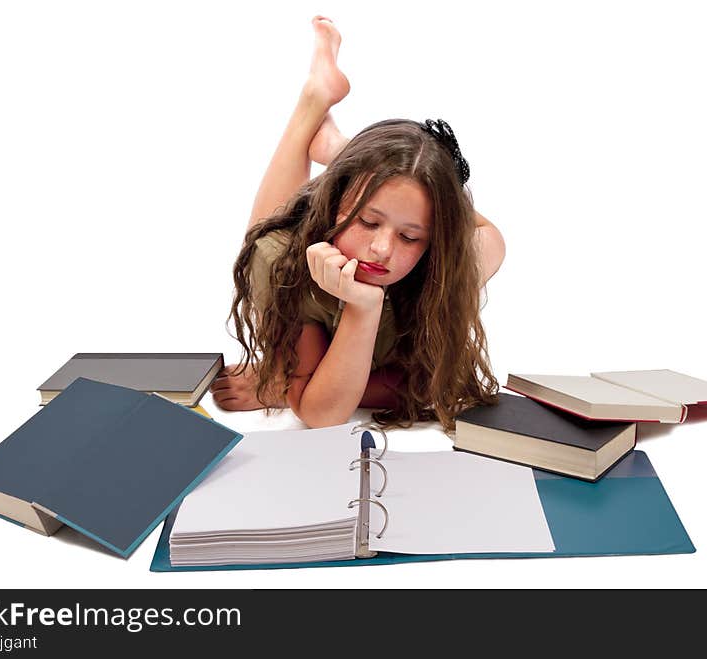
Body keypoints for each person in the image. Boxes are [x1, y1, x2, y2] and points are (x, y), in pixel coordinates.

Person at [211, 16, 505, 431]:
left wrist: (291, 384)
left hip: (381, 201)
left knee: (408, 191)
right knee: (267, 243)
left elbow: (427, 385)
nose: (383, 249)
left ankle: (343, 148)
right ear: (337, 205)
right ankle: (315, 103)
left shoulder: (445, 267)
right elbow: (319, 413)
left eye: (410, 236)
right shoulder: (292, 269)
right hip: (298, 256)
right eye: (368, 222)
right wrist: (358, 317)